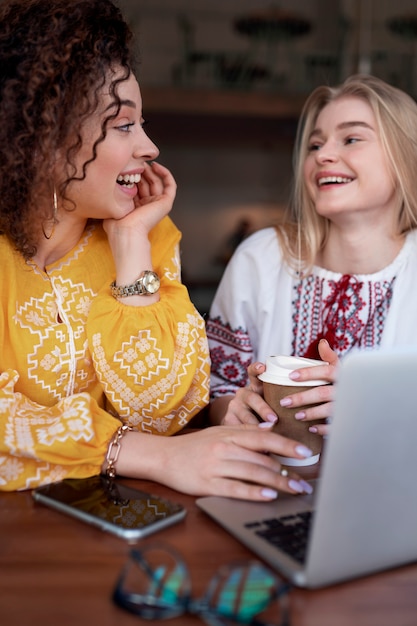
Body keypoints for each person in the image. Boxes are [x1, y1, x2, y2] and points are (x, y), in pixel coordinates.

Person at [0, 0, 313, 500]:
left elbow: (159, 413)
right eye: (124, 125)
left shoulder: (147, 237)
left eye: (142, 123)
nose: (149, 147)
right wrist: (152, 455)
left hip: (123, 520)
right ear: (45, 138)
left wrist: (129, 244)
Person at [207, 73, 417, 432]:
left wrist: (373, 405)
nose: (324, 155)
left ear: (405, 154)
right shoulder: (260, 258)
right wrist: (233, 409)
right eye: (315, 145)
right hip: (264, 482)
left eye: (351, 138)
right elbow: (216, 390)